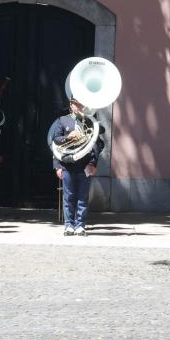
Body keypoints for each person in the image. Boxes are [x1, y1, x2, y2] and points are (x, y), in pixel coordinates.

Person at [48, 97, 103, 236]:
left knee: (82, 197)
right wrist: (68, 138)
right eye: (76, 104)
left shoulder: (90, 122)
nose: (79, 107)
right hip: (67, 164)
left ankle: (80, 225)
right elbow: (55, 141)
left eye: (81, 104)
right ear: (71, 105)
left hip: (84, 165)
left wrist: (93, 163)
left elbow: (95, 146)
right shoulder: (63, 120)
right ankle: (69, 225)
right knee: (69, 197)